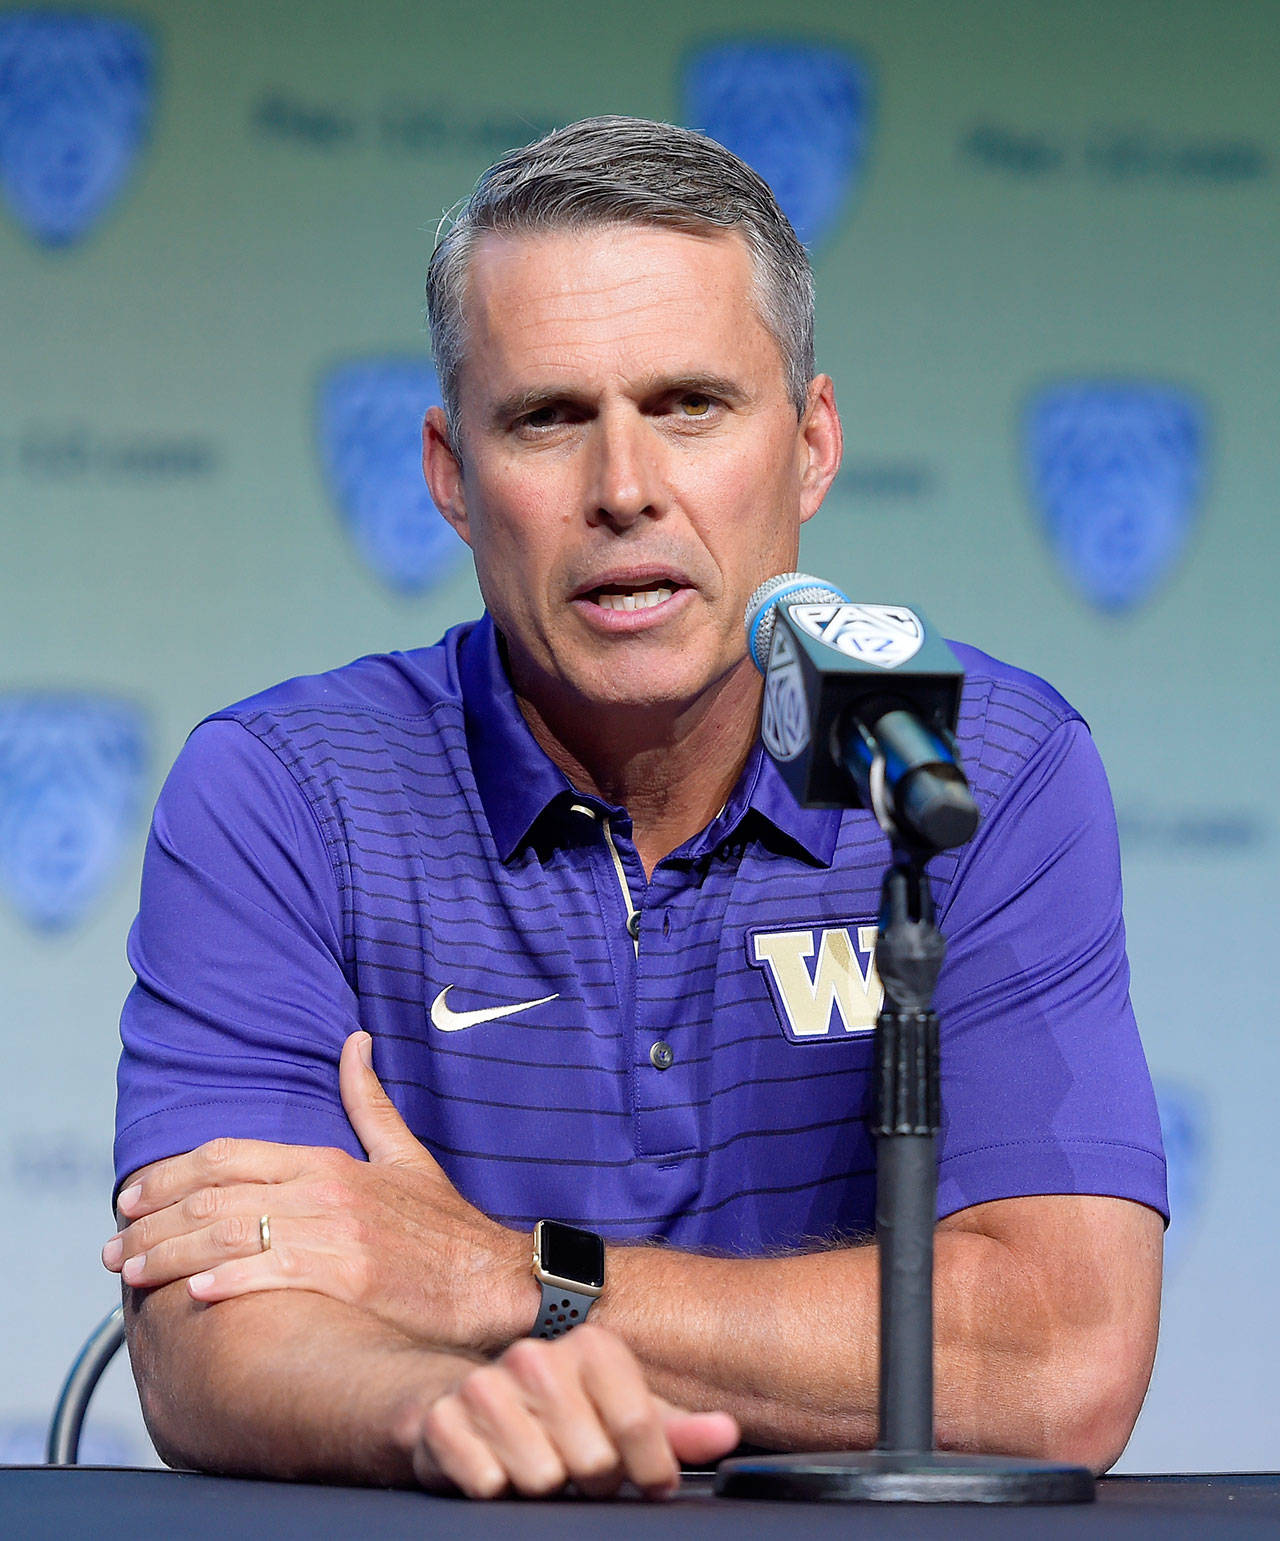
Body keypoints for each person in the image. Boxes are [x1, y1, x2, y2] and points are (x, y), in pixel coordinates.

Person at [104, 116, 1166, 1499]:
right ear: (448, 475)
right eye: (548, 418)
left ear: (812, 443)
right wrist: (454, 1412)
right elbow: (210, 1332)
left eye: (690, 407)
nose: (623, 489)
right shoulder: (284, 793)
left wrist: (495, 1278)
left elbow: (1060, 1359)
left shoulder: (973, 765)